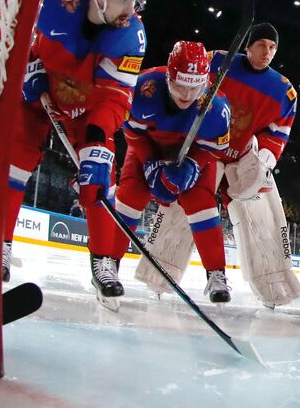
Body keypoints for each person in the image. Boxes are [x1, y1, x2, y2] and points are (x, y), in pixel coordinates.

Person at [3, 0, 148, 289]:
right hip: (37, 96)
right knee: (15, 159)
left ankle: (103, 263)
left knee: (99, 178)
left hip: (88, 111)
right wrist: (24, 65)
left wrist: (98, 136)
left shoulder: (133, 37)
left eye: (136, 0)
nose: (132, 9)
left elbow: (116, 97)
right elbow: (7, 27)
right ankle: (0, 244)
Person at [86, 41, 231, 309]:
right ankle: (109, 264)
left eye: (194, 87)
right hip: (148, 147)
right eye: (180, 87)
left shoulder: (218, 107)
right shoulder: (143, 89)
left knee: (203, 205)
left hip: (193, 155)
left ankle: (216, 275)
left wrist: (194, 165)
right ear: (168, 77)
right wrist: (151, 163)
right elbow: (132, 134)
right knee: (129, 196)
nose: (187, 95)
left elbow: (215, 150)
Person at [207, 23, 299, 307]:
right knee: (183, 204)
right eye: (261, 45)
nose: (267, 52)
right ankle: (161, 271)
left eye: (272, 47)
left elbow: (278, 132)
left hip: (244, 159)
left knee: (265, 219)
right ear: (247, 46)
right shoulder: (216, 62)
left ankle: (273, 287)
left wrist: (265, 159)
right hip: (205, 151)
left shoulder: (284, 90)